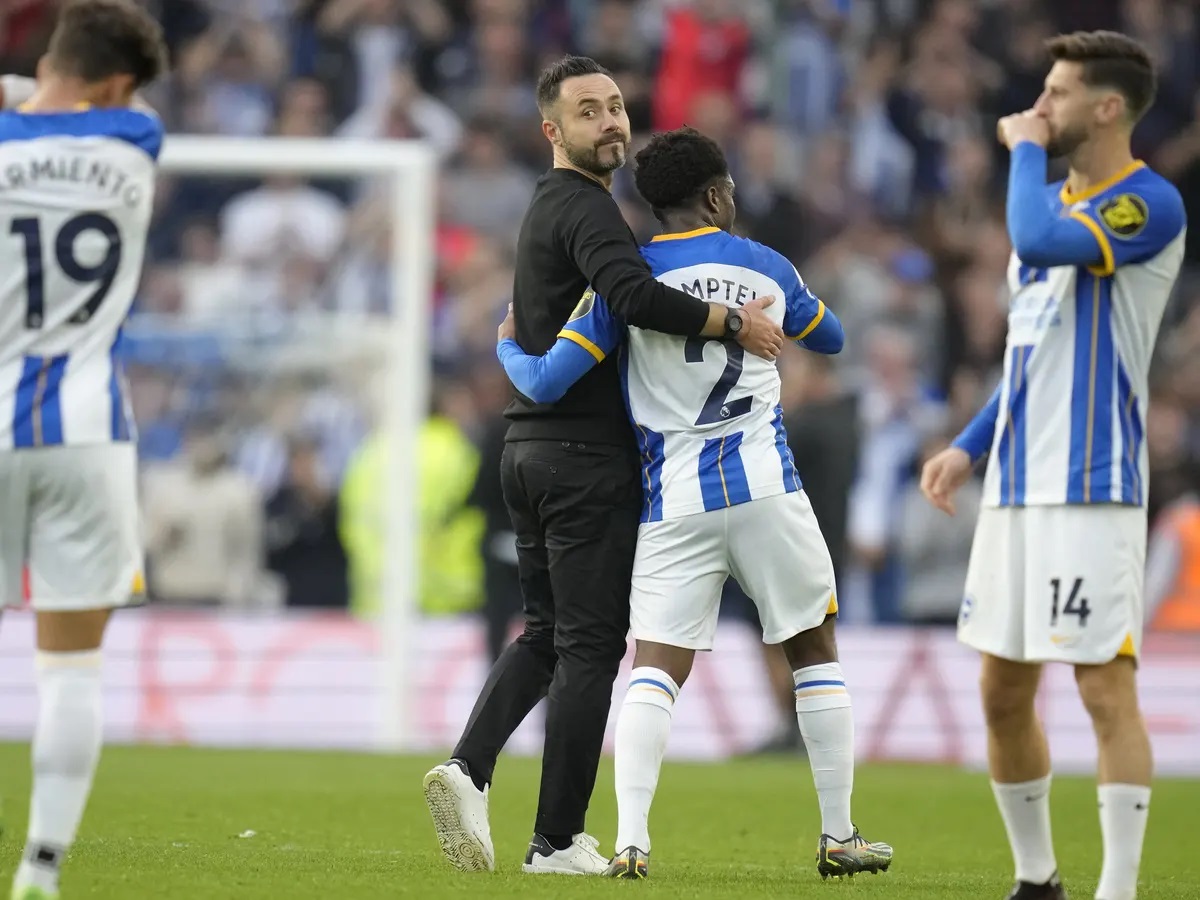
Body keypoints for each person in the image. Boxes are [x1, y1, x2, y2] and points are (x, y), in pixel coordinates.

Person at [496, 126, 894, 882]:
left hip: (674, 499)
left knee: (655, 668)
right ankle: (839, 835)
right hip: (767, 488)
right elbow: (833, 338)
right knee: (812, 651)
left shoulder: (628, 282)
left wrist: (507, 346)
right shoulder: (767, 267)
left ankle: (632, 841)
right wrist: (773, 303)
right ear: (716, 195)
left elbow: (543, 382)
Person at [422, 56, 784, 876]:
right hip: (584, 457)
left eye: (617, 106)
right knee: (590, 646)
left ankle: (468, 767)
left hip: (531, 447)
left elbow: (565, 327)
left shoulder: (552, 208)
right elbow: (628, 294)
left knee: (549, 634)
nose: (612, 121)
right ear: (553, 131)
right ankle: (555, 840)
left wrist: (514, 349)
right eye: (590, 111)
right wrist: (731, 322)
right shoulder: (587, 210)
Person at [919, 31, 1186, 900]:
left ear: (1108, 108)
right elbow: (1032, 357)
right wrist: (970, 444)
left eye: (1058, 94)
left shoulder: (1149, 205)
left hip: (1094, 487)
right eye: (1040, 93)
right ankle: (1038, 880)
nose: (1040, 108)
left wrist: (1022, 150)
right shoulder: (1045, 210)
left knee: (1103, 686)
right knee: (1002, 688)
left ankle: (1120, 890)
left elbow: (1033, 237)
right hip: (1017, 490)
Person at [0, 2, 169, 898]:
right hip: (85, 434)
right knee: (70, 665)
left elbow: (26, 100)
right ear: (118, 85)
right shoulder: (134, 139)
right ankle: (40, 868)